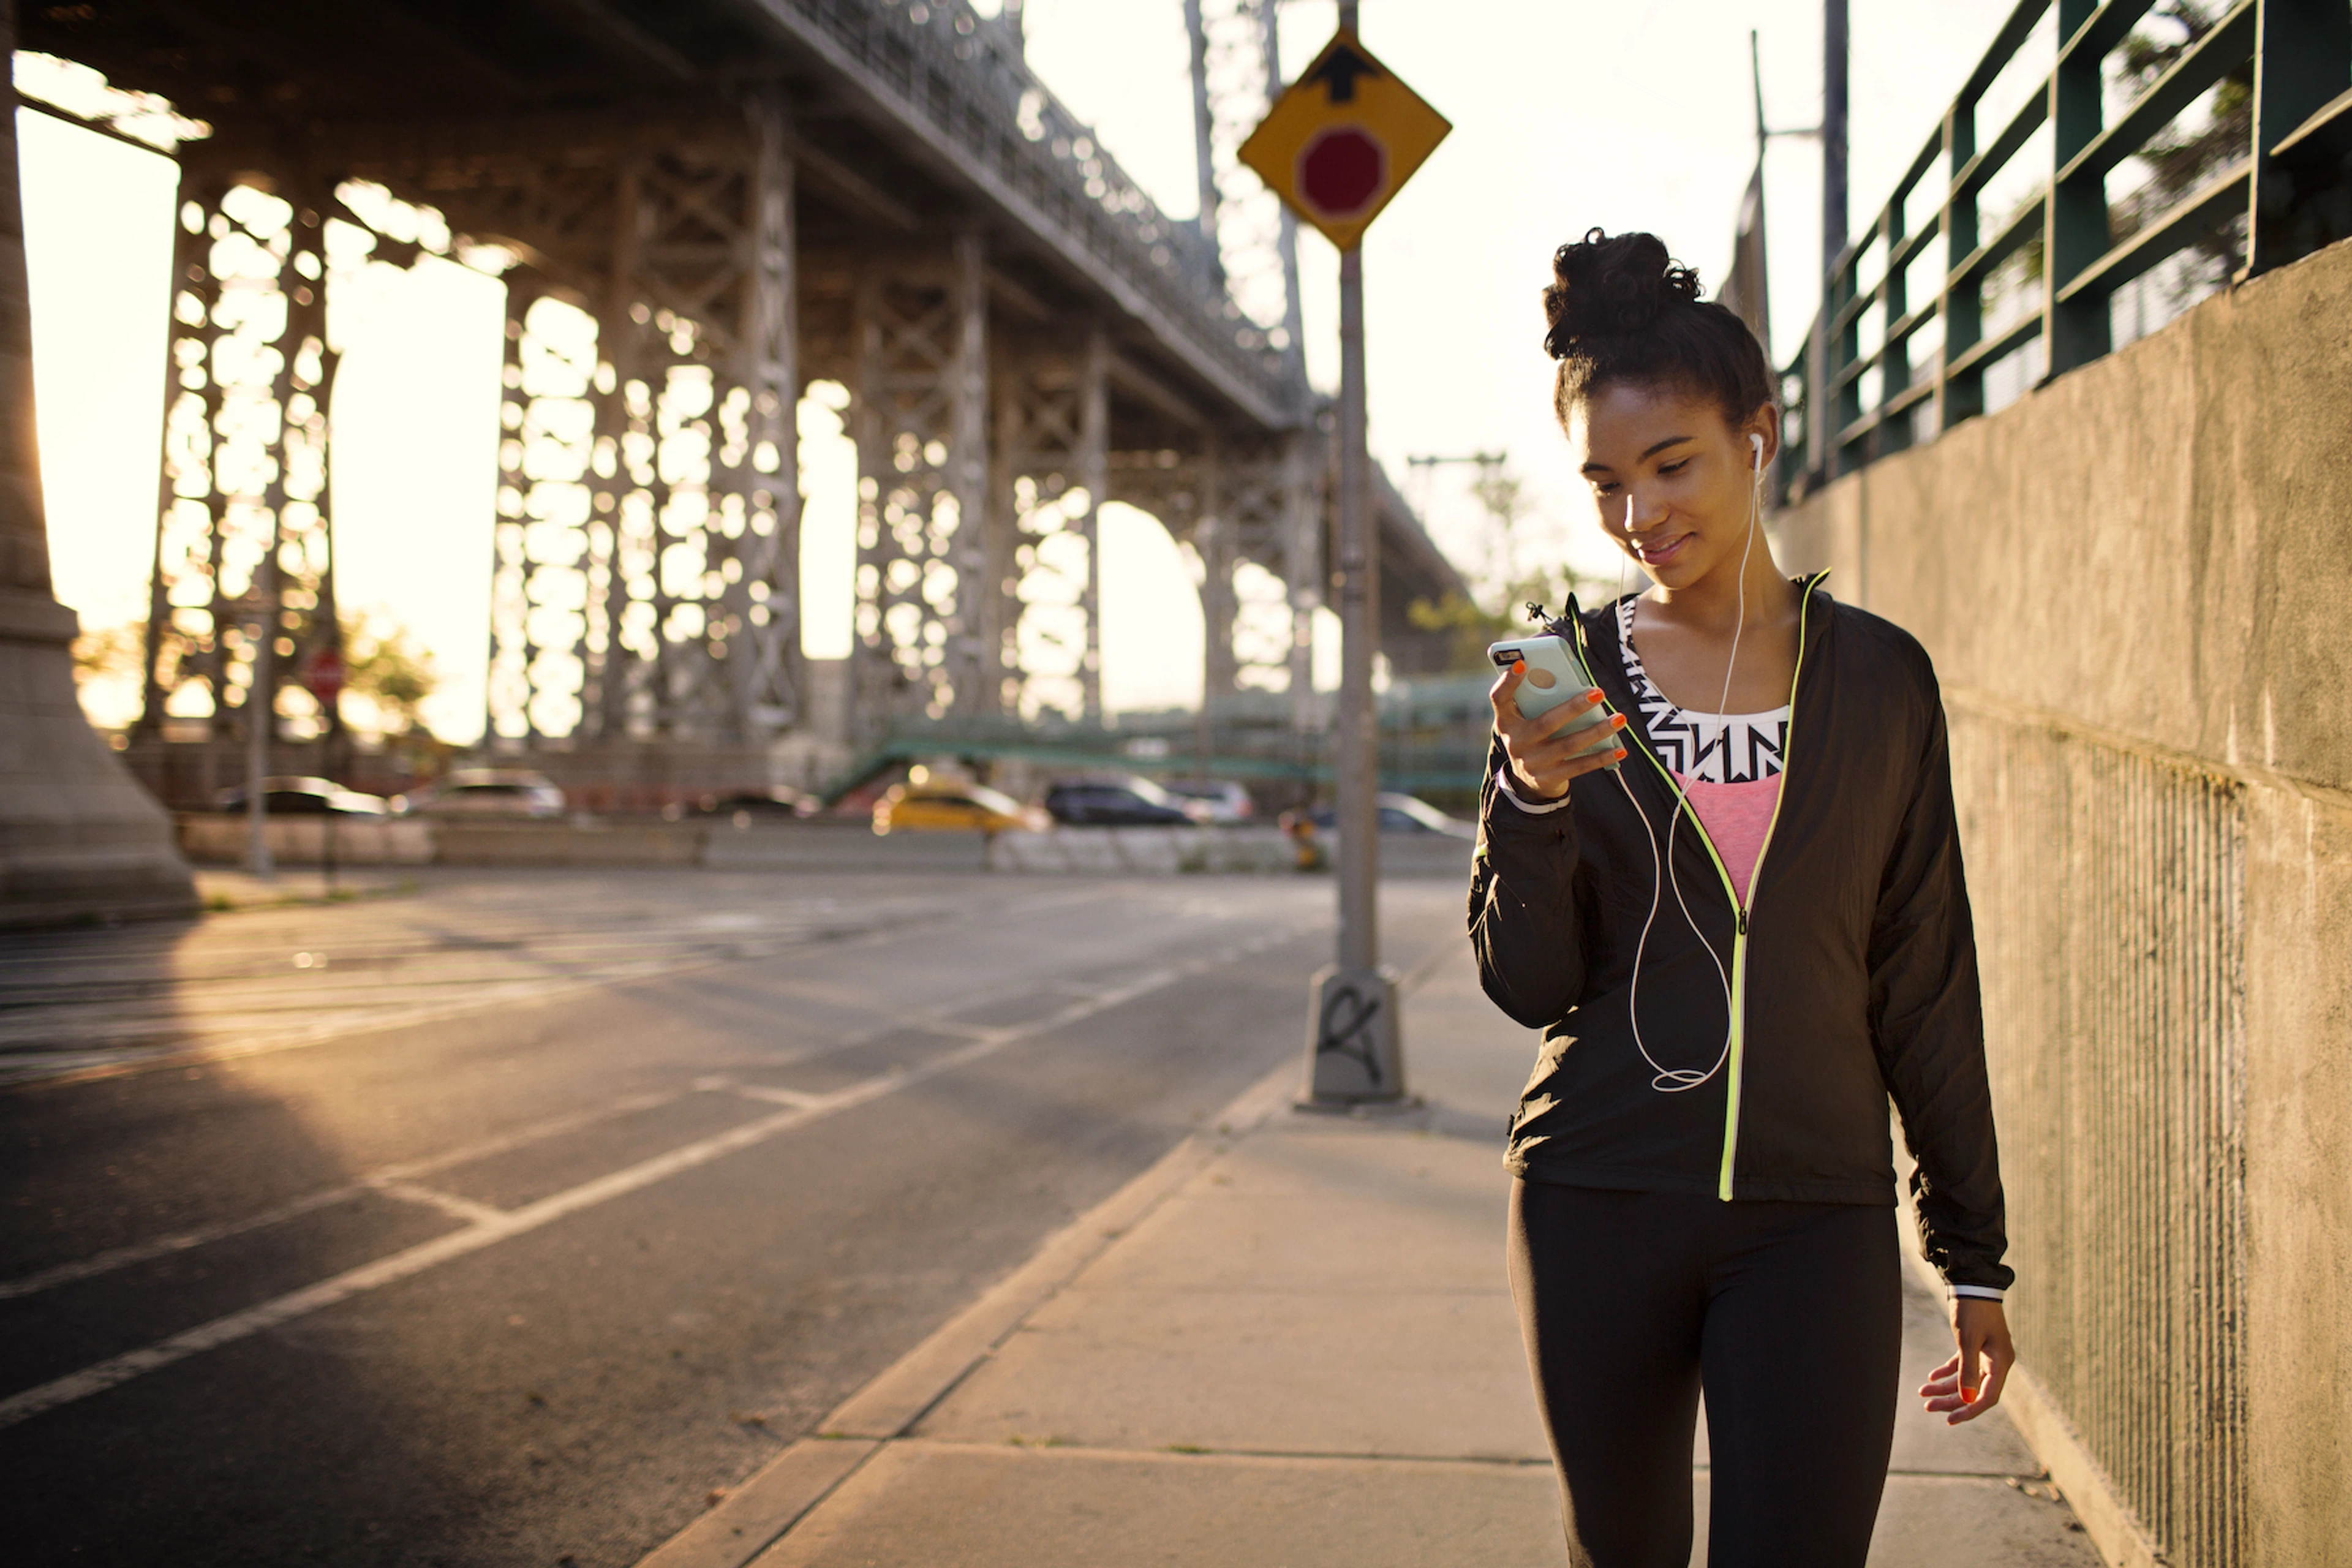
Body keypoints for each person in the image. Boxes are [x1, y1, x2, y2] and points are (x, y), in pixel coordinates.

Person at [1470, 228, 2015, 1567]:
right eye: (1605, 481)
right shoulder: (1566, 675)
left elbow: (1924, 968)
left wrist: (1975, 1251)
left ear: (1758, 438)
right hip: (1597, 1190)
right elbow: (1527, 980)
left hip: (1815, 1211)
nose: (1639, 514)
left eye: (1672, 466)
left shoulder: (1880, 679)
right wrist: (1530, 800)